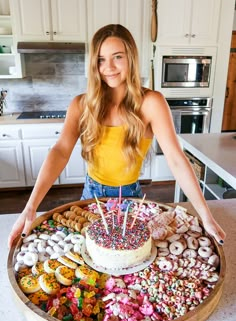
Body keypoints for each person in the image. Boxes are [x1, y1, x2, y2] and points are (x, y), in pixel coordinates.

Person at [8, 24, 225, 247]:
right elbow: (60, 151)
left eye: (117, 57)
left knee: (127, 264)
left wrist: (206, 216)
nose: (108, 67)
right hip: (91, 196)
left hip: (131, 198)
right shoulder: (81, 105)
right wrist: (30, 207)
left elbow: (176, 160)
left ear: (130, 57)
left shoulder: (151, 103)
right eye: (101, 59)